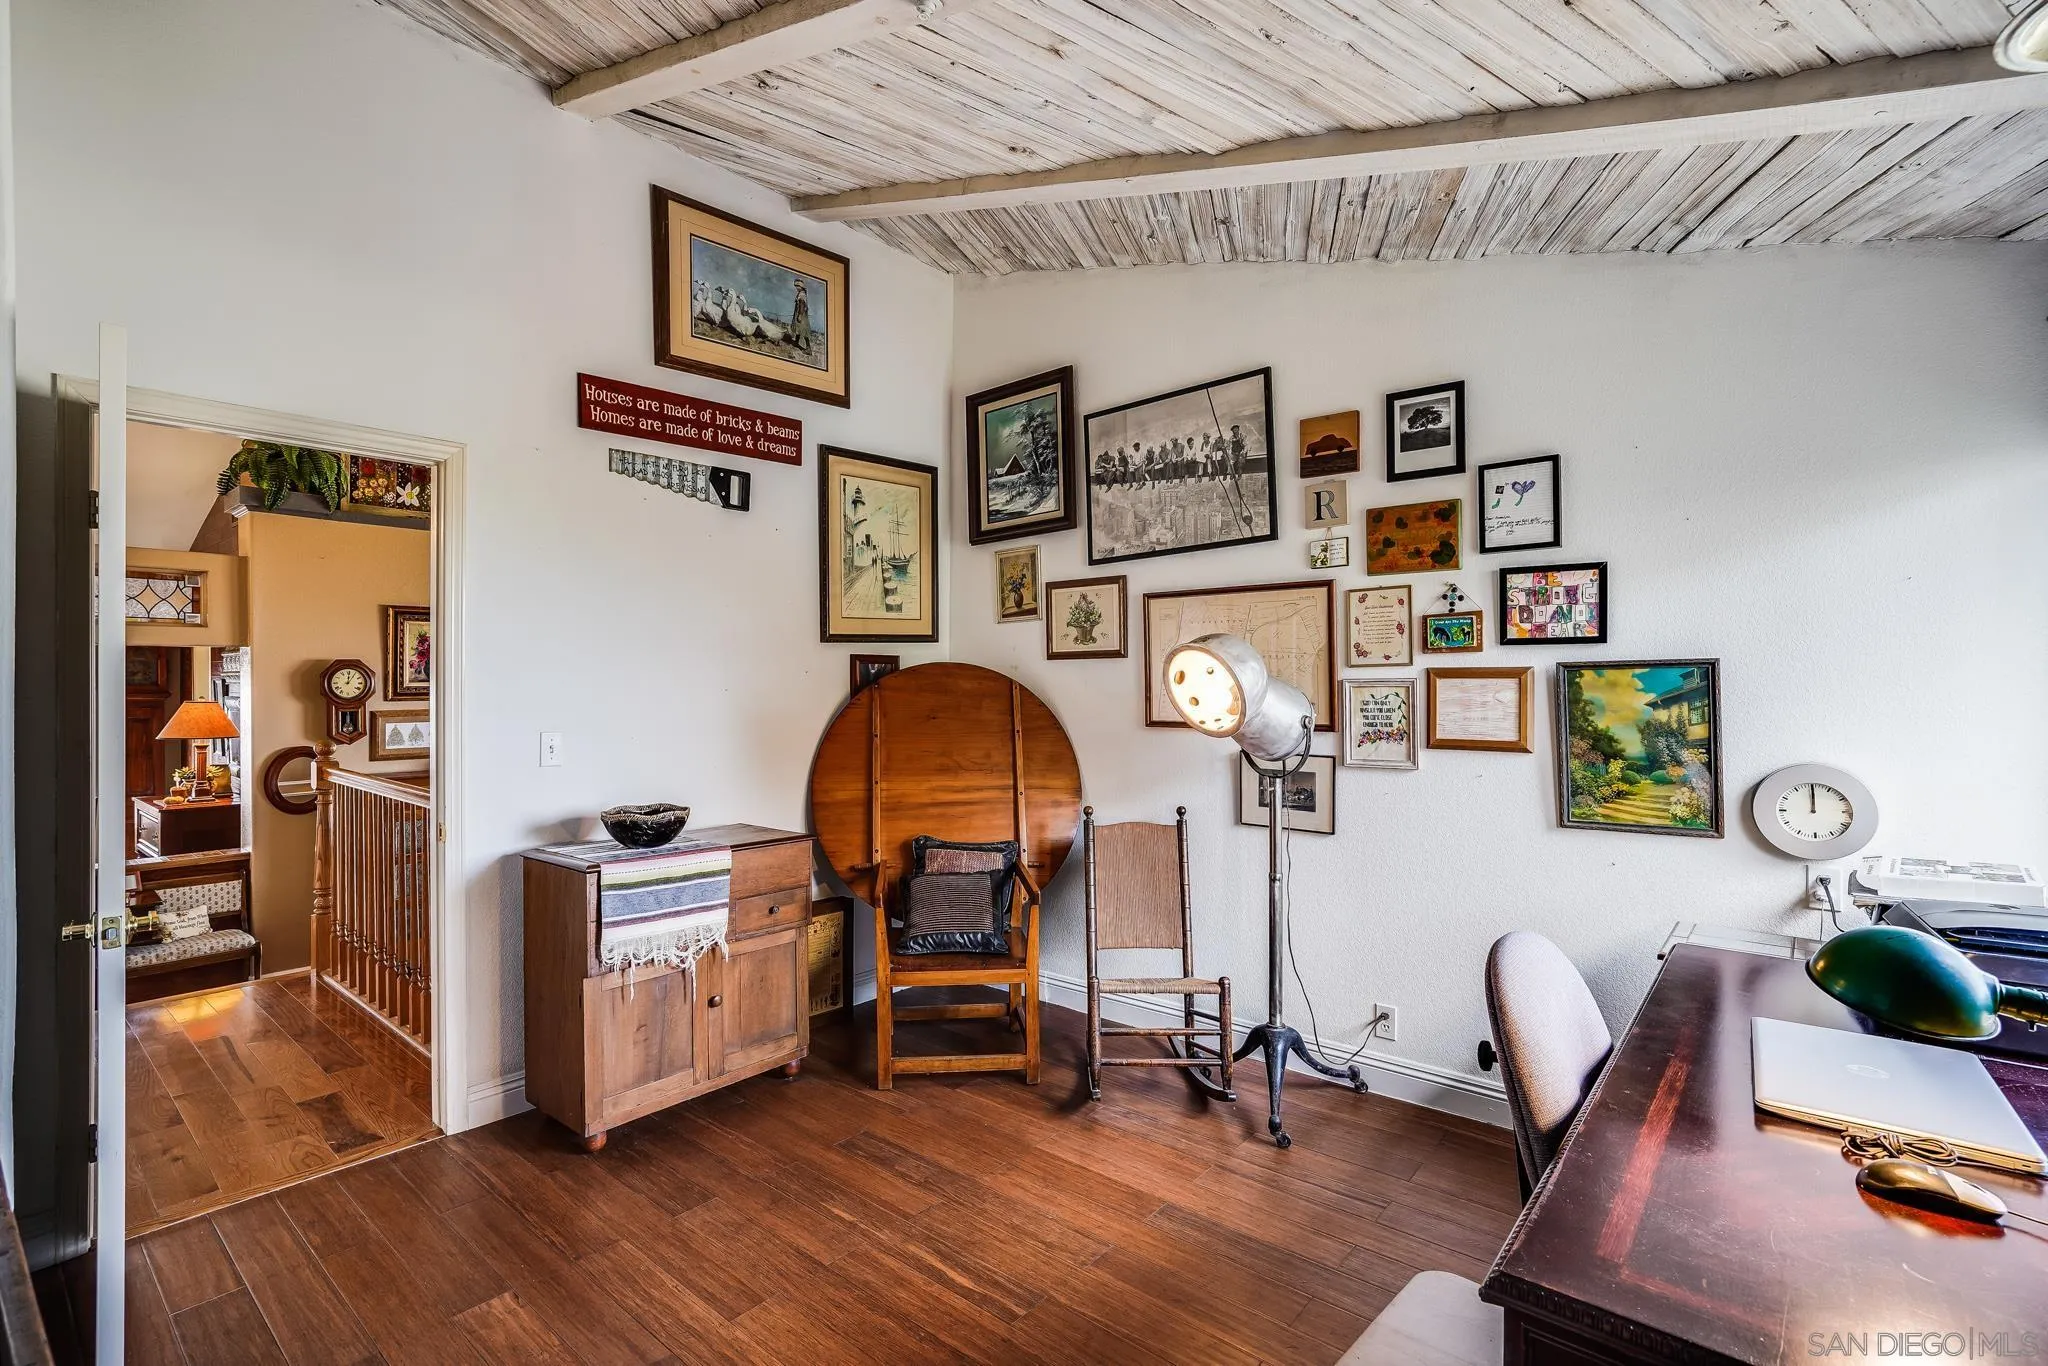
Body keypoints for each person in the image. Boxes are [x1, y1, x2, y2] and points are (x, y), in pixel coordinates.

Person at [789, 278, 814, 352]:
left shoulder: (802, 295)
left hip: (801, 315)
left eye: (797, 286)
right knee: (798, 328)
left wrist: (799, 315)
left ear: (801, 286)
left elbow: (802, 305)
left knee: (803, 330)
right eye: (796, 286)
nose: (796, 288)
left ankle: (808, 349)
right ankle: (796, 342)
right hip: (800, 314)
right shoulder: (801, 293)